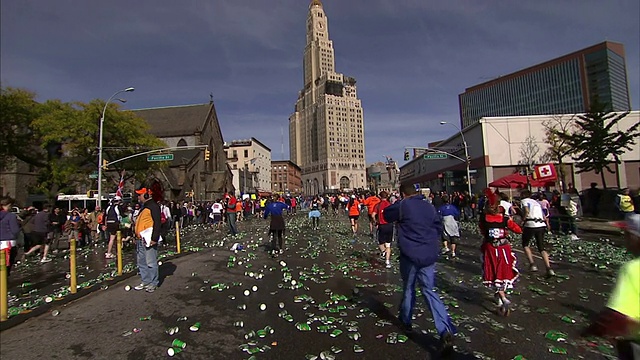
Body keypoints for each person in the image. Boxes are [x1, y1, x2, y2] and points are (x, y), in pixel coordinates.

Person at [383, 183, 456, 358]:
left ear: (403, 194)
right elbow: (438, 228)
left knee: (409, 288)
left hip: (410, 254)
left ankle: (406, 321)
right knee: (429, 290)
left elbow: (386, 215)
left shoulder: (403, 205)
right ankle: (444, 329)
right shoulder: (430, 207)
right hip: (429, 254)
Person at [582, 214, 639, 359]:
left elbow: (616, 315)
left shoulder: (633, 268)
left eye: (626, 234)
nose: (624, 239)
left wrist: (592, 330)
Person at [479, 189, 522, 316]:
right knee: (503, 272)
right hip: (504, 248)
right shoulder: (504, 219)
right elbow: (517, 229)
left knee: (493, 272)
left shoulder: (484, 219)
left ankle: (502, 299)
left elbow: (482, 231)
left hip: (491, 248)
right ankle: (500, 298)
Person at [133, 185, 162, 293]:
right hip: (141, 239)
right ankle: (145, 281)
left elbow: (157, 223)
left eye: (139, 195)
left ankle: (153, 283)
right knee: (141, 262)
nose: (138, 198)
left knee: (151, 262)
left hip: (149, 239)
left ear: (146, 195)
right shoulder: (144, 207)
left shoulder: (153, 206)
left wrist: (154, 238)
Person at [520, 190, 555, 276]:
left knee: (525, 244)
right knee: (541, 247)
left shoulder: (524, 201)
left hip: (530, 224)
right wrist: (547, 224)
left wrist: (523, 220)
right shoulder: (536, 202)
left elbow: (527, 210)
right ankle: (548, 268)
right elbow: (543, 215)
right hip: (541, 224)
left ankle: (532, 264)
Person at [372, 191, 393, 268]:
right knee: (388, 244)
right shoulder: (390, 205)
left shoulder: (378, 205)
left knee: (381, 242)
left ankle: (383, 252)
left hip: (382, 225)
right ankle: (387, 262)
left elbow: (373, 215)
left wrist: (376, 222)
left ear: (380, 197)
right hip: (390, 226)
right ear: (387, 196)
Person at [0, 197, 21, 275]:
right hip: (8, 242)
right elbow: (15, 230)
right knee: (7, 265)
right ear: (9, 205)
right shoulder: (11, 216)